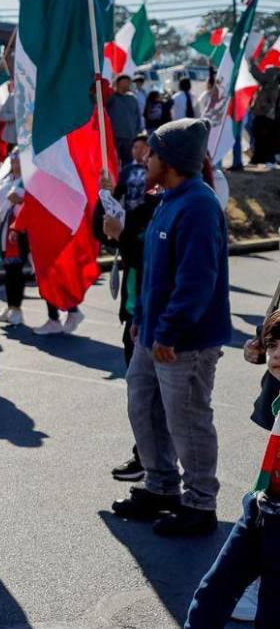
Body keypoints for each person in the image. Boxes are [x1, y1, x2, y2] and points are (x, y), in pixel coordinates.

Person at [126, 309, 280, 629]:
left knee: (274, 609)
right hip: (262, 505)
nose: (278, 356)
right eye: (276, 345)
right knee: (218, 583)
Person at [113, 118, 230, 538]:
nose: (146, 157)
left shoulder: (198, 204)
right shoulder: (170, 198)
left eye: (154, 152)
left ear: (172, 161)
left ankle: (200, 503)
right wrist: (142, 321)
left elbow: (197, 279)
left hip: (184, 340)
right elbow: (154, 271)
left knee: (188, 418)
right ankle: (161, 486)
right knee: (142, 404)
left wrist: (169, 332)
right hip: (154, 333)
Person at [96, 153, 161, 487]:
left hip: (159, 321)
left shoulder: (181, 207)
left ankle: (160, 473)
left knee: (154, 401)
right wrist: (105, 195)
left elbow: (156, 261)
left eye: (150, 156)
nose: (143, 163)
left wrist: (122, 236)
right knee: (141, 398)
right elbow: (105, 232)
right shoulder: (147, 206)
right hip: (135, 316)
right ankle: (147, 461)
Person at [0, 149, 30, 326]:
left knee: (16, 270)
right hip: (3, 226)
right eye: (13, 160)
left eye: (19, 160)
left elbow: (34, 204)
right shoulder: (7, 179)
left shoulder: (29, 181)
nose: (15, 163)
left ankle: (17, 308)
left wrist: (21, 201)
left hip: (18, 228)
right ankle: (10, 305)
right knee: (8, 270)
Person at [248, 55, 280, 165]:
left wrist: (252, 63)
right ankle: (259, 158)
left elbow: (260, 77)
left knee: (264, 138)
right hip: (266, 114)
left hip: (265, 114)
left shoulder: (272, 79)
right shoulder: (273, 80)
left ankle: (264, 159)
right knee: (261, 138)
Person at [109, 75, 146, 168]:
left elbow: (137, 116)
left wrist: (137, 131)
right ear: (118, 83)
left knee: (128, 162)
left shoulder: (133, 98)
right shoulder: (111, 98)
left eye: (129, 82)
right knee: (114, 162)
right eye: (126, 82)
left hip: (130, 137)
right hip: (114, 137)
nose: (129, 84)